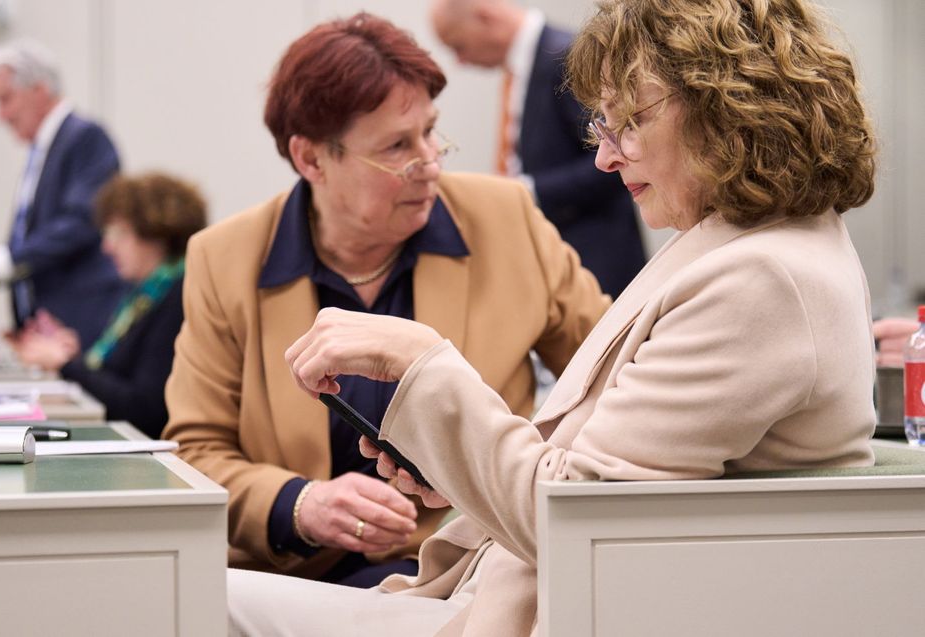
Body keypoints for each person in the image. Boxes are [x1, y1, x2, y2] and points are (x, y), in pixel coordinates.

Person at [226, 0, 879, 633]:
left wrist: (422, 363)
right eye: (602, 125)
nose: (604, 156)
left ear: (722, 106)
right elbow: (594, 466)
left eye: (627, 122)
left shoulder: (757, 281)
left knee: (192, 595)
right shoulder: (745, 249)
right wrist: (451, 463)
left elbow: (575, 511)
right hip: (501, 587)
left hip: (531, 606)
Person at [162, 12, 610, 589]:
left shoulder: (506, 220)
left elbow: (612, 379)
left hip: (468, 567)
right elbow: (196, 452)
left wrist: (515, 471)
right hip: (292, 577)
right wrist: (300, 505)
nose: (431, 163)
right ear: (311, 159)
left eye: (431, 130)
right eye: (398, 146)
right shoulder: (224, 259)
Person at [429, 0, 646, 297]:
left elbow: (616, 158)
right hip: (556, 260)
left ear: (486, 18)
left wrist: (524, 192)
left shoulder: (566, 56)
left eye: (458, 46)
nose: (460, 61)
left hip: (597, 265)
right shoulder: (524, 67)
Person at [0, 39, 125, 348]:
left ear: (39, 90)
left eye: (6, 99)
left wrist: (1, 263)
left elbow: (82, 222)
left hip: (81, 325)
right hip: (48, 332)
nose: (0, 115)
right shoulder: (45, 151)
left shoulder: (85, 138)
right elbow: (38, 236)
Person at [11, 173, 206, 439]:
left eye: (118, 233)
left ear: (156, 233)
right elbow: (117, 378)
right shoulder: (142, 297)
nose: (107, 247)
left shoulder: (178, 297)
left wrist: (67, 364)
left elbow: (144, 409)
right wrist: (73, 355)